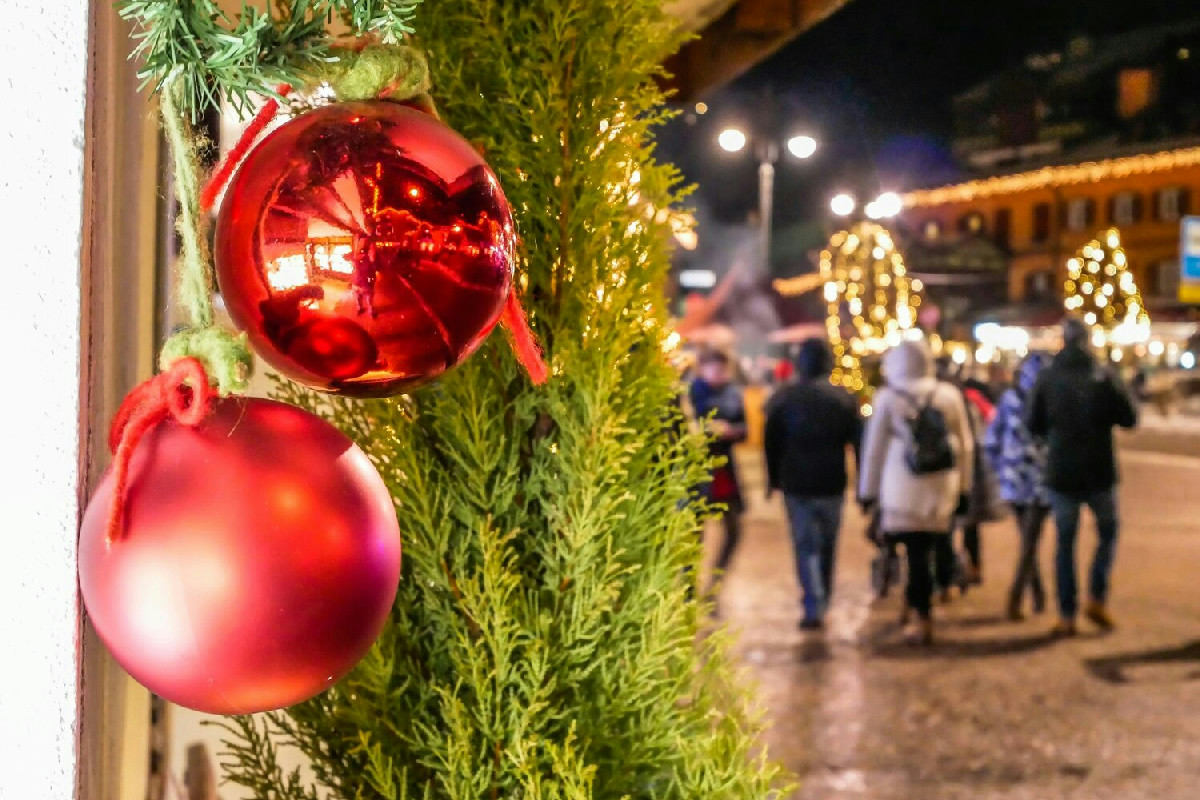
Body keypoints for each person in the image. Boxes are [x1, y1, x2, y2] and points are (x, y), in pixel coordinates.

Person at [859, 338, 974, 644]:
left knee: (915, 553)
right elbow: (965, 446)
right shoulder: (948, 396)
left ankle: (922, 616)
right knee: (934, 546)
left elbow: (874, 450)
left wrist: (868, 492)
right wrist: (964, 489)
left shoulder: (887, 398)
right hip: (941, 486)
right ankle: (922, 601)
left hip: (902, 490)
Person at [1028, 317, 1137, 636]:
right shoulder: (1103, 375)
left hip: (1061, 472)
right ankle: (1096, 597)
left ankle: (1067, 614)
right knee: (1107, 532)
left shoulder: (1047, 377)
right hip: (1099, 470)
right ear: (1087, 341)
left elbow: (1033, 423)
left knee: (1065, 543)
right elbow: (1129, 418)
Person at [764, 338, 862, 630]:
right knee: (828, 544)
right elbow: (859, 442)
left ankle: (813, 602)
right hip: (832, 481)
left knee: (805, 545)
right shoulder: (842, 399)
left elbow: (771, 443)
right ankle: (822, 599)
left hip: (797, 483)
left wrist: (773, 478)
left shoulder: (785, 399)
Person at [983, 353, 1050, 621]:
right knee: (1029, 541)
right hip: (1039, 482)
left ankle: (1034, 594)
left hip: (1015, 481)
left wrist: (1001, 468)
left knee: (1028, 539)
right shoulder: (1048, 402)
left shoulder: (1010, 400)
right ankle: (1018, 597)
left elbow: (991, 440)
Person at [690, 349, 748, 590]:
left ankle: (714, 582)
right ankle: (689, 588)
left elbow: (744, 430)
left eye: (721, 368)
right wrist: (707, 429)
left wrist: (730, 431)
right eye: (713, 368)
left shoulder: (732, 393)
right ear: (702, 368)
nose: (717, 373)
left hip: (723, 471)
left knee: (733, 531)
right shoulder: (691, 393)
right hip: (697, 472)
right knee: (694, 534)